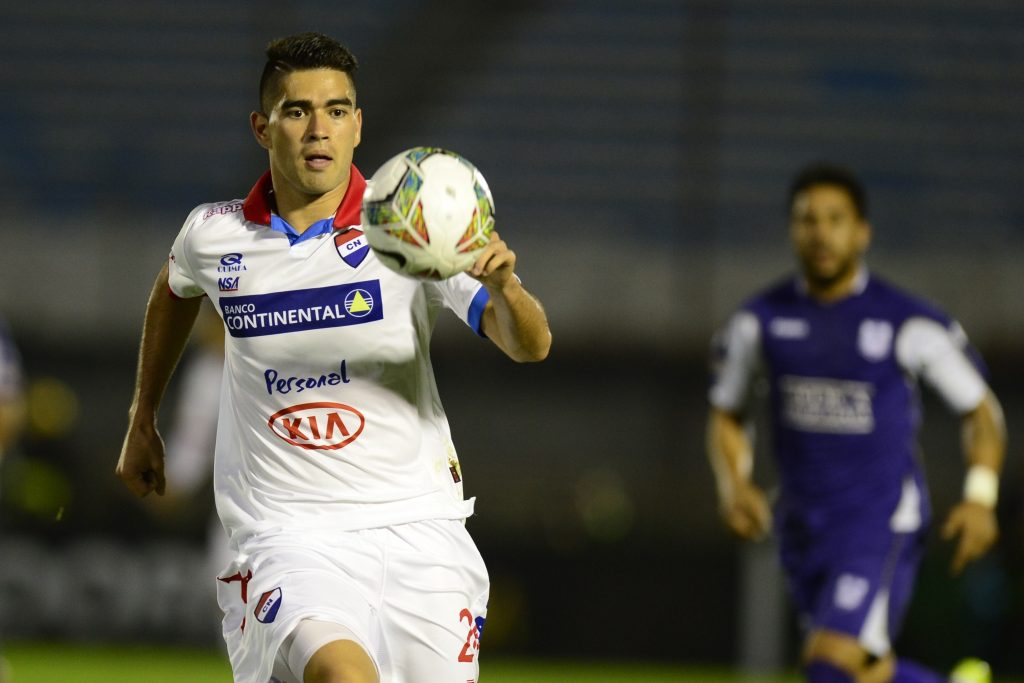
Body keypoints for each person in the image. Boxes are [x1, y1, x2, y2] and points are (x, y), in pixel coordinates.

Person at [116, 32, 550, 683]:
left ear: (358, 126)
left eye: (337, 110)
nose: (319, 128)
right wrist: (142, 415)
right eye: (297, 111)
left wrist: (506, 287)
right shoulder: (215, 234)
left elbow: (530, 343)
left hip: (421, 528)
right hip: (288, 535)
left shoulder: (413, 226)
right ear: (264, 128)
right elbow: (174, 287)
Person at [706, 163, 1005, 683]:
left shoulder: (905, 322)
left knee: (827, 665)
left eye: (835, 219)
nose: (821, 233)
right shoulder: (760, 320)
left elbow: (982, 413)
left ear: (862, 231)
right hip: (802, 528)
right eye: (807, 220)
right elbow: (727, 412)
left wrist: (980, 496)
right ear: (792, 230)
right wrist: (734, 484)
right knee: (866, 673)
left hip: (878, 522)